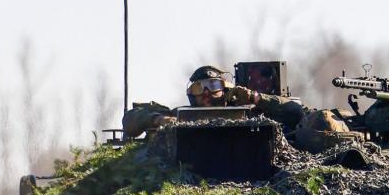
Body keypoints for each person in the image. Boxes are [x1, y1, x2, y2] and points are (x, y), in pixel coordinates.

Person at [122, 65, 306, 139]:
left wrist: (257, 98)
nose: (207, 93)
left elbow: (296, 112)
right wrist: (157, 119)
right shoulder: (181, 117)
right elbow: (130, 120)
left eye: (213, 85)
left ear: (225, 87)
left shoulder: (250, 114)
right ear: (191, 94)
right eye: (199, 88)